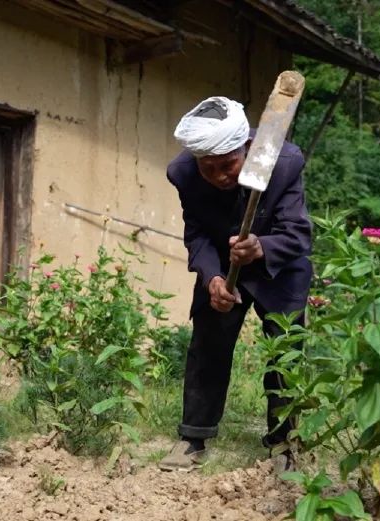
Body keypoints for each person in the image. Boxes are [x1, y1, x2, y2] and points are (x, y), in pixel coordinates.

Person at [158, 96, 312, 472]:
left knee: (285, 352)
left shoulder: (284, 162)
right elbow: (196, 234)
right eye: (207, 168)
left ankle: (284, 444)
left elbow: (298, 234)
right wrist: (212, 276)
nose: (219, 176)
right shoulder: (183, 173)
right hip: (223, 265)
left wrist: (261, 246)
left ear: (246, 147)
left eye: (227, 166)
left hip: (279, 264)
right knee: (208, 342)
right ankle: (193, 437)